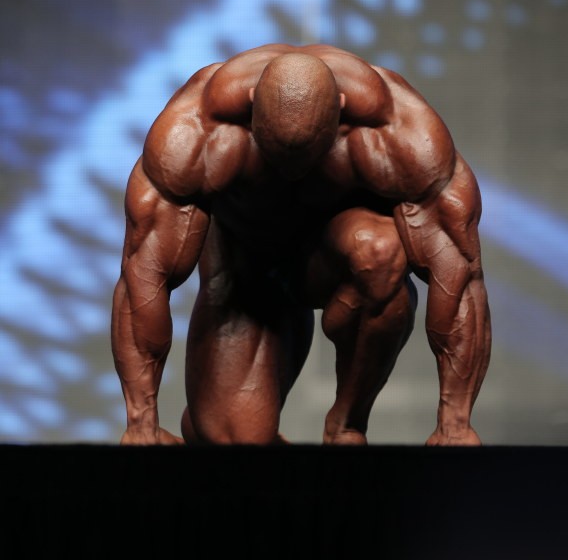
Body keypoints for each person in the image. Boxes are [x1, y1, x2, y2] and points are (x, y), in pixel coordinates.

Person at [111, 43, 491, 447]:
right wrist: (141, 424)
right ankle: (212, 425)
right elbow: (143, 277)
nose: (291, 171)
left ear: (341, 107)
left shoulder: (399, 132)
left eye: (308, 154)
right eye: (276, 152)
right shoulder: (195, 131)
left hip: (337, 259)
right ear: (252, 103)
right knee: (230, 445)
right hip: (247, 274)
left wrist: (455, 424)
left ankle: (347, 424)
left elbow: (460, 278)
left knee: (380, 251)